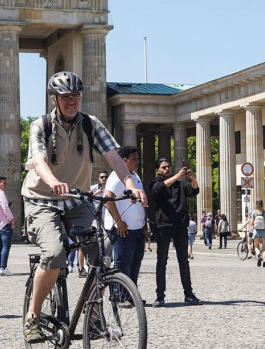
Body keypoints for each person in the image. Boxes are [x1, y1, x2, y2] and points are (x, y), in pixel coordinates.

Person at [21, 71, 146, 343]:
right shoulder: (40, 125)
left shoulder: (91, 125)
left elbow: (114, 156)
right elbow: (40, 160)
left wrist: (130, 183)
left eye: (75, 96)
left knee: (103, 250)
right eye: (65, 97)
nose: (71, 102)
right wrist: (54, 181)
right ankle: (33, 314)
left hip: (76, 199)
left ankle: (93, 313)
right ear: (54, 100)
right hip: (42, 198)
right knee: (54, 253)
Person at [149, 158, 201, 307]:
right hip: (163, 225)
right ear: (158, 170)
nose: (167, 169)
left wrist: (192, 178)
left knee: (183, 261)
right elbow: (157, 190)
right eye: (164, 167)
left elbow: (194, 191)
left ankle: (189, 295)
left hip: (179, 225)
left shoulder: (180, 184)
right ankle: (160, 296)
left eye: (169, 167)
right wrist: (177, 176)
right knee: (161, 262)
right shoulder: (155, 184)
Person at [103, 145, 146, 291]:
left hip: (137, 228)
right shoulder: (116, 177)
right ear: (124, 160)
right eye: (134, 159)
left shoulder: (134, 176)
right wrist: (118, 221)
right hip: (123, 229)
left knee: (135, 263)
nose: (137, 161)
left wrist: (144, 223)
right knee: (122, 264)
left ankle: (131, 294)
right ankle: (120, 296)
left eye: (138, 158)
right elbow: (108, 199)